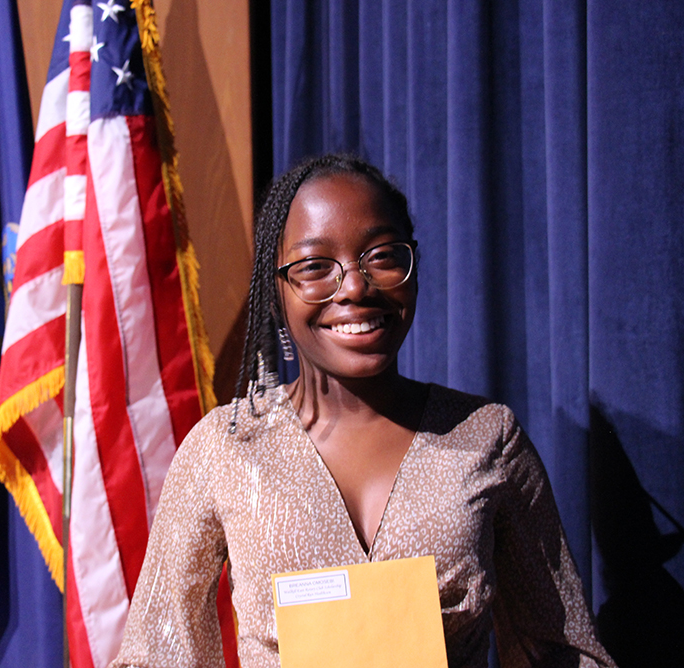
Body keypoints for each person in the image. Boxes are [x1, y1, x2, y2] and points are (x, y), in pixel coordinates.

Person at [110, 155, 616, 668]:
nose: (355, 286)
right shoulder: (224, 448)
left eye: (382, 256)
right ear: (275, 292)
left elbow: (561, 651)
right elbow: (159, 653)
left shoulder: (488, 438)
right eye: (314, 267)